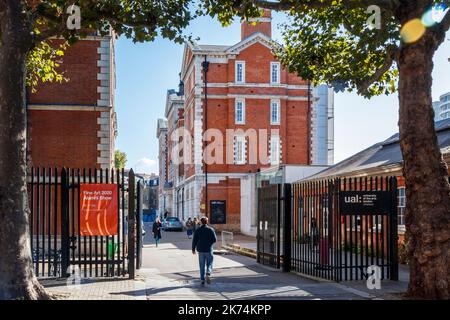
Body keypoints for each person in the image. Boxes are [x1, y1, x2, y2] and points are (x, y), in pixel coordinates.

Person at [192, 217, 217, 286]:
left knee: (201, 265)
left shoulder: (198, 230)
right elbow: (214, 239)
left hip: (200, 250)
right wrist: (209, 244)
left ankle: (202, 280)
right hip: (208, 249)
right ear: (207, 222)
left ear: (201, 222)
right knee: (210, 263)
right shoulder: (210, 229)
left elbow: (194, 240)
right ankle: (208, 273)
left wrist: (193, 249)